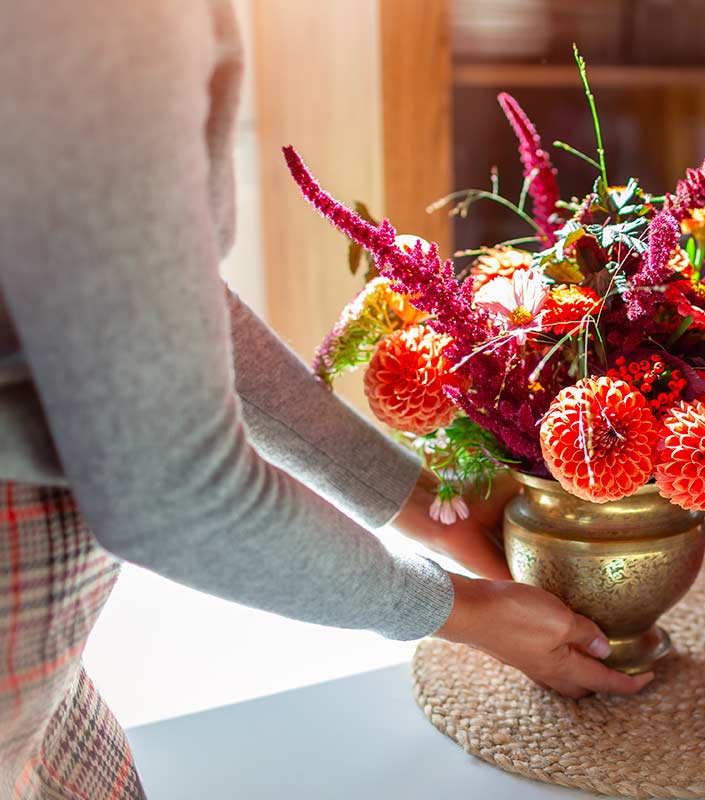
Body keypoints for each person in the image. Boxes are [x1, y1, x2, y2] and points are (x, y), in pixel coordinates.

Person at [0, 3, 652, 797]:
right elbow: (176, 495)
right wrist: (463, 612)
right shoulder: (100, 24)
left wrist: (419, 500)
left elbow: (149, 301)